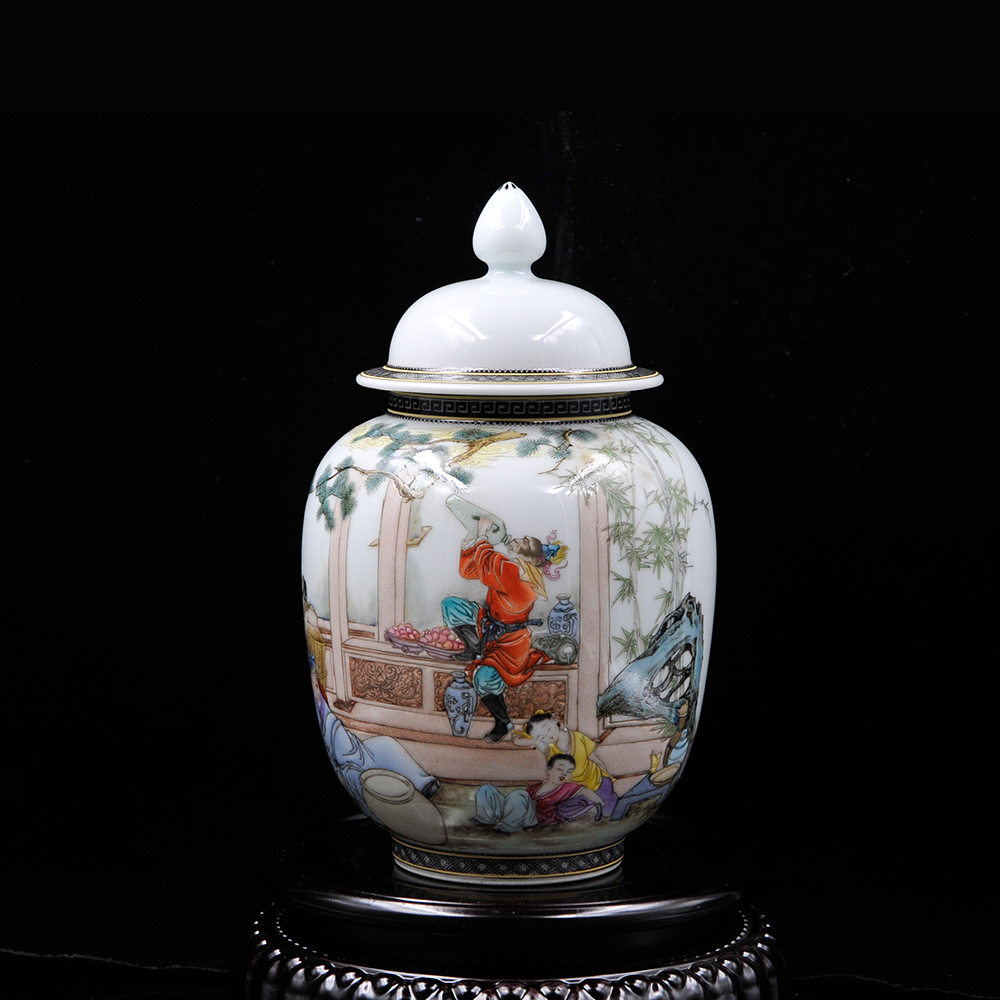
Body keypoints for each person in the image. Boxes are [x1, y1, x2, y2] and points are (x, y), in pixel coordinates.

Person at [442, 516, 551, 742]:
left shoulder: (522, 577)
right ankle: (474, 649)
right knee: (451, 606)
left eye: (525, 542)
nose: (518, 540)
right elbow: (471, 570)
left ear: (534, 559)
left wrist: (481, 535)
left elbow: (487, 564)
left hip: (510, 641)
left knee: (484, 678)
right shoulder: (512, 568)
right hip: (488, 624)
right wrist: (472, 538)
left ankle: (503, 721)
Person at [517, 711, 618, 816]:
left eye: (548, 729)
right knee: (563, 810)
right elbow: (517, 740)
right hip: (576, 790)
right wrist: (536, 742)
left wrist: (607, 774)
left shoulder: (578, 737)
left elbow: (594, 758)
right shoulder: (549, 748)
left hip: (596, 781)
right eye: (542, 737)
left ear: (554, 719)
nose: (548, 735)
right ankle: (591, 808)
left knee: (608, 810)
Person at [473, 754, 605, 832]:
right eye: (560, 769)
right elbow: (519, 804)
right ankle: (486, 819)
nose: (564, 774)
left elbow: (586, 791)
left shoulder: (567, 788)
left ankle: (508, 827)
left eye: (569, 772)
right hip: (520, 812)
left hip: (535, 817)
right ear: (548, 771)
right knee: (486, 789)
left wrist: (600, 802)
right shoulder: (535, 788)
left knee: (519, 795)